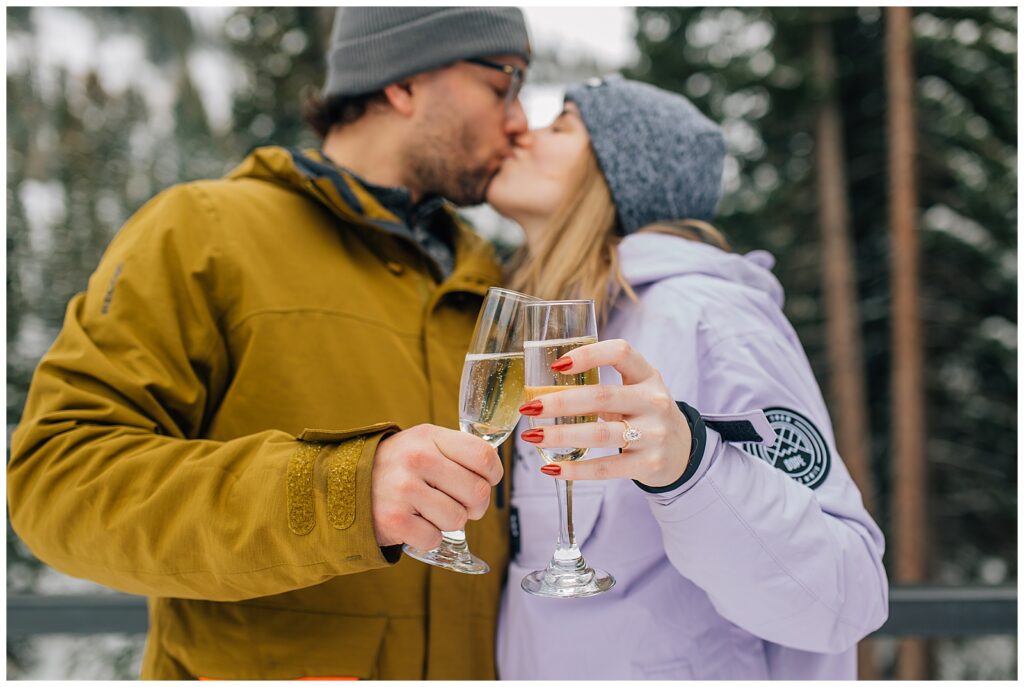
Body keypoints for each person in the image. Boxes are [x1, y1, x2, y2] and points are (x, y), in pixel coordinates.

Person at [8, 8, 532, 680]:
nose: (519, 120)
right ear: (404, 83)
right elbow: (58, 483)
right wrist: (343, 493)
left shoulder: (491, 282)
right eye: (504, 84)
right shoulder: (202, 232)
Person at [485, 76, 889, 679]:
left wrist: (690, 465)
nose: (521, 131)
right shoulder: (560, 324)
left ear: (622, 171)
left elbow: (845, 597)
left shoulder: (711, 316)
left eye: (560, 125)